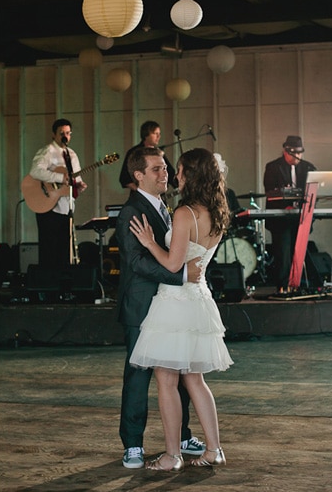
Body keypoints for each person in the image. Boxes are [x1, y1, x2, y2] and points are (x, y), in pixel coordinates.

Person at [127, 148, 233, 471]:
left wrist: (149, 243)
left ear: (192, 175)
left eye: (181, 170)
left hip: (175, 303)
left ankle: (172, 455)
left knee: (166, 381)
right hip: (199, 300)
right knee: (196, 380)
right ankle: (214, 449)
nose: (175, 175)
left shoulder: (185, 213)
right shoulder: (217, 212)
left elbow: (173, 264)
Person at [114, 147, 204, 469]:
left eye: (165, 168)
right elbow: (136, 262)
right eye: (156, 169)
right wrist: (180, 274)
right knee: (138, 376)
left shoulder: (166, 207)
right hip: (142, 306)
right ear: (138, 175)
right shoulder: (130, 212)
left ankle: (181, 436)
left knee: (176, 372)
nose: (164, 173)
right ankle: (133, 445)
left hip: (168, 304)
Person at [28, 118, 87, 268]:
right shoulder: (48, 151)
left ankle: (64, 286)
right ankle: (49, 287)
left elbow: (75, 179)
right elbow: (35, 171)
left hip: (66, 208)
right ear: (54, 135)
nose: (65, 136)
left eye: (68, 133)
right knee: (50, 251)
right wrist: (59, 177)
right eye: (62, 133)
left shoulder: (72, 155)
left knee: (64, 251)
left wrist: (79, 186)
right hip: (48, 206)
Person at [263, 135, 317, 291]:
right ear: (285, 152)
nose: (297, 157)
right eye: (293, 154)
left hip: (300, 217)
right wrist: (284, 205)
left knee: (299, 251)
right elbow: (270, 192)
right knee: (283, 253)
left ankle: (298, 284)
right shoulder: (273, 167)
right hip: (281, 219)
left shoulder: (308, 167)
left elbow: (314, 190)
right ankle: (283, 286)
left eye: (299, 153)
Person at [119, 121, 178, 192]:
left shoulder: (158, 152)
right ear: (146, 134)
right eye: (155, 133)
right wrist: (141, 192)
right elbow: (125, 178)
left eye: (159, 134)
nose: (158, 136)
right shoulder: (134, 152)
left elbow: (171, 173)